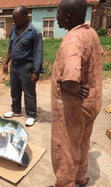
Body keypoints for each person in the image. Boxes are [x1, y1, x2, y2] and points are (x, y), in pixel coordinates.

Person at [50, 0, 103, 186]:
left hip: (74, 109)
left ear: (68, 17)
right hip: (91, 103)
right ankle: (80, 177)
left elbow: (70, 79)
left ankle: (65, 183)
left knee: (66, 147)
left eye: (57, 13)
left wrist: (73, 88)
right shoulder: (91, 32)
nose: (56, 17)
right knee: (83, 142)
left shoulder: (71, 41)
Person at [3, 5, 44, 126]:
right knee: (14, 90)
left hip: (26, 66)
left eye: (16, 19)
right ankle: (15, 110)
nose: (14, 21)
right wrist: (6, 63)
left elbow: (38, 52)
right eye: (13, 19)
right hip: (14, 66)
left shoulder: (34, 31)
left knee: (29, 91)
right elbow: (10, 48)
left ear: (25, 17)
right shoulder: (14, 30)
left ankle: (31, 114)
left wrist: (36, 71)